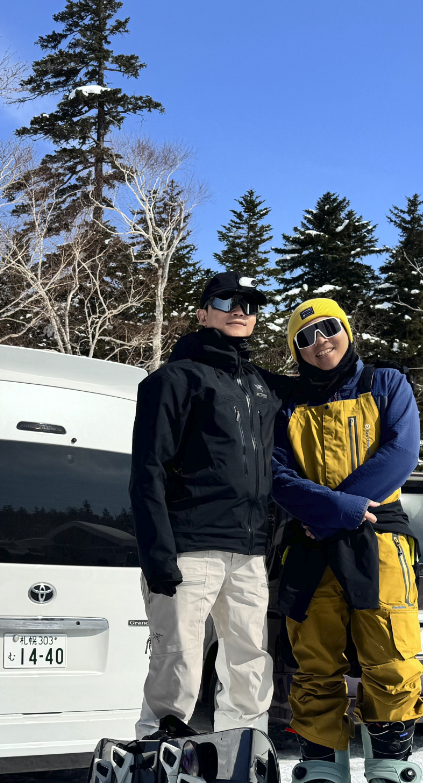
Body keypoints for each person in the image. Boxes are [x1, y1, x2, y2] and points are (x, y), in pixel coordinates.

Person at [269, 297, 423, 783]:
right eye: (305, 338)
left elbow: (399, 455)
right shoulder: (284, 404)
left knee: (391, 652)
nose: (320, 343)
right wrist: (333, 510)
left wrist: (336, 511)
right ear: (296, 350)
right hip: (309, 546)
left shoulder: (386, 384)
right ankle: (322, 772)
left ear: (347, 330)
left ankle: (390, 770)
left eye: (329, 329)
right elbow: (276, 476)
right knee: (313, 660)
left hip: (377, 537)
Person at [128, 272, 282, 738]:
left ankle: (242, 762)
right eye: (227, 300)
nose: (241, 310)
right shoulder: (174, 380)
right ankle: (156, 767)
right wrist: (157, 553)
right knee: (178, 663)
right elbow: (147, 470)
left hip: (249, 552)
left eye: (250, 305)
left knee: (251, 665)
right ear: (202, 312)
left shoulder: (260, 387)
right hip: (189, 547)